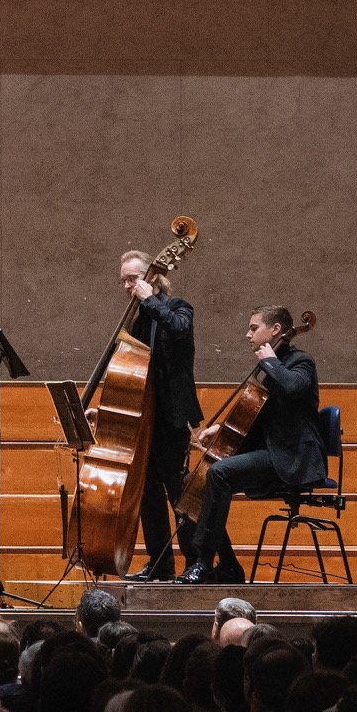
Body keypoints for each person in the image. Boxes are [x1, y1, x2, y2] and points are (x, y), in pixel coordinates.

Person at [182, 305, 322, 585]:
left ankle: (203, 563)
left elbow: (294, 388)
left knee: (219, 473)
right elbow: (259, 419)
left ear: (276, 329)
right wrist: (222, 429)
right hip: (271, 454)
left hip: (291, 458)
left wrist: (271, 362)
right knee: (195, 480)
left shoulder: (301, 362)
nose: (248, 334)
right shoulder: (272, 369)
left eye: (254, 328)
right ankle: (228, 565)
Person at [111, 247, 201, 581]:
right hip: (143, 417)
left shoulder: (178, 308)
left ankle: (195, 563)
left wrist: (149, 299)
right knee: (148, 493)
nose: (127, 286)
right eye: (124, 281)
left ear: (154, 276)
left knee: (179, 494)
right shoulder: (138, 320)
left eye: (133, 278)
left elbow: (178, 329)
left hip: (171, 416)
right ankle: (160, 564)